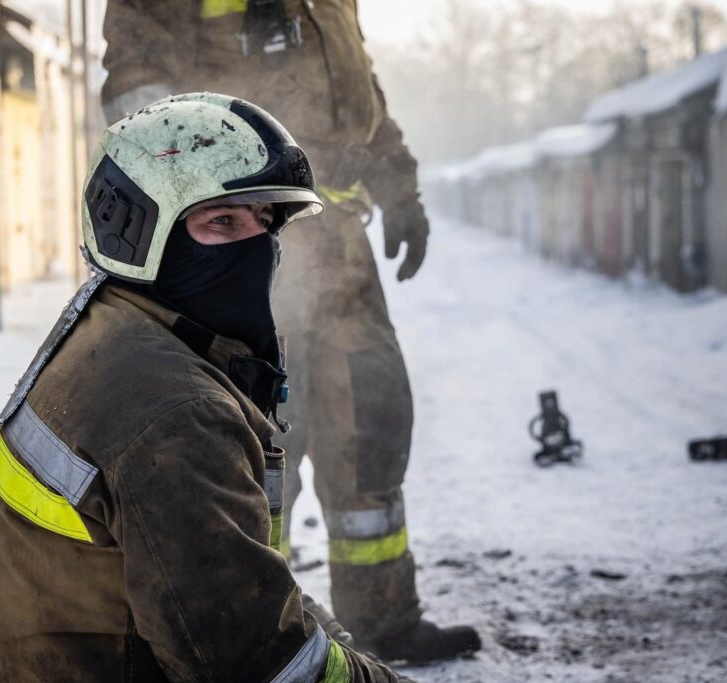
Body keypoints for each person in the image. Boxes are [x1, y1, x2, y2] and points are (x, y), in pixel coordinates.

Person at [0, 92, 412, 682]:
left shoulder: (118, 323)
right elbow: (255, 664)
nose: (257, 248)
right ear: (142, 232)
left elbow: (231, 583)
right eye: (222, 221)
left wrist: (335, 641)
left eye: (265, 222)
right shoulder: (175, 412)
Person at [100, 1, 480, 662]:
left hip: (340, 252)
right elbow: (137, 91)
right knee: (251, 443)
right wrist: (197, 210)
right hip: (243, 249)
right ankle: (247, 631)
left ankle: (384, 615)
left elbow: (361, 98)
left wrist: (402, 192)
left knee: (371, 425)